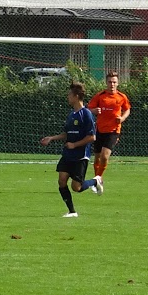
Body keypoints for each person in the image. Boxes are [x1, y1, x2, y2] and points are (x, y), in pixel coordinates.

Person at [40, 82, 102, 217]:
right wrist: (52, 138)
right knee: (61, 180)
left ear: (76, 96)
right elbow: (67, 134)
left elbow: (92, 137)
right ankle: (72, 211)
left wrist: (74, 145)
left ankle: (96, 181)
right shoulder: (71, 115)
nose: (68, 97)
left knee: (76, 187)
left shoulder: (86, 114)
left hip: (80, 156)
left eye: (69, 94)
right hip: (68, 154)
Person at [87, 70, 131, 183]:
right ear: (106, 82)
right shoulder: (100, 96)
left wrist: (122, 118)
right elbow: (88, 109)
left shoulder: (122, 97)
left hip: (113, 131)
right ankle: (97, 180)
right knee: (97, 158)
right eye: (110, 82)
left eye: (114, 82)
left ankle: (98, 178)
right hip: (99, 130)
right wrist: (94, 111)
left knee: (104, 156)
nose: (112, 84)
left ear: (118, 83)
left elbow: (127, 109)